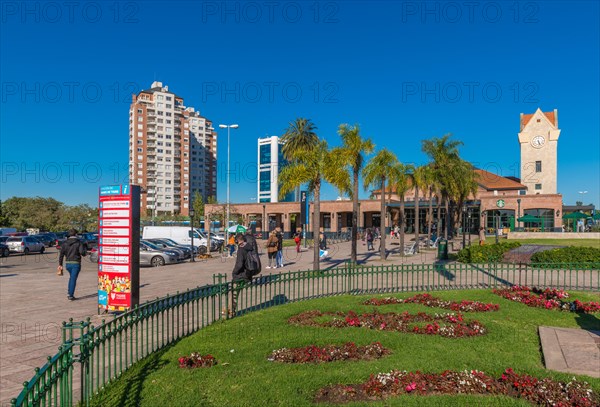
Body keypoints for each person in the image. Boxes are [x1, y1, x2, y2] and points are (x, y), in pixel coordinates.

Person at [57, 229, 87, 301]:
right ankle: (70, 295)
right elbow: (82, 253)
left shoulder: (65, 243)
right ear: (76, 234)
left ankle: (69, 292)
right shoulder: (79, 243)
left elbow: (61, 254)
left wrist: (60, 264)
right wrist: (85, 250)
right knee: (73, 279)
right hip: (76, 263)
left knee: (71, 278)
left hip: (68, 264)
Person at [229, 233, 253, 317]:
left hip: (241, 275)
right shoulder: (249, 247)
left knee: (234, 294)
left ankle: (231, 312)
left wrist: (234, 272)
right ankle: (231, 310)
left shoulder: (241, 249)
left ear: (237, 240)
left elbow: (239, 264)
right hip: (248, 273)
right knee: (235, 293)